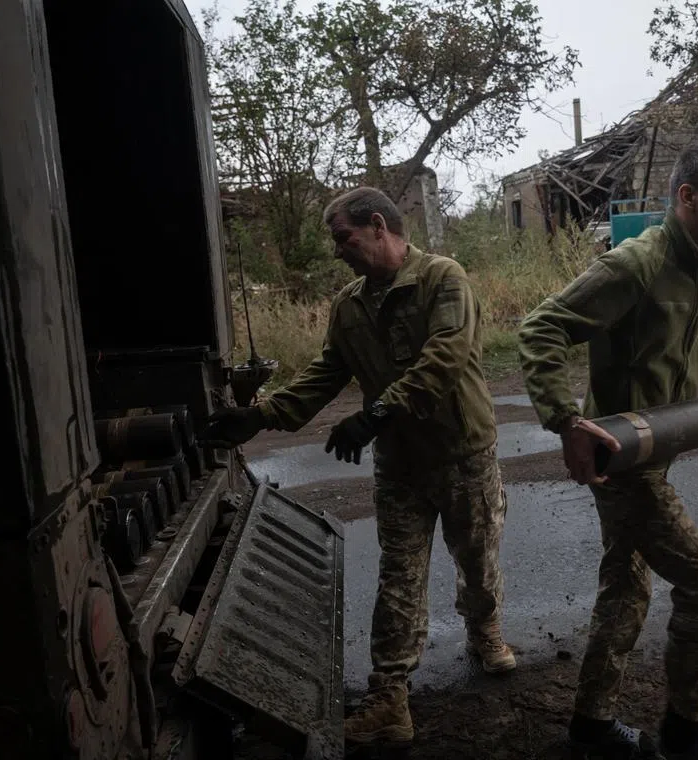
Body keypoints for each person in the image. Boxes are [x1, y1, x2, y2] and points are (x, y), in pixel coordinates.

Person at [203, 187, 516, 749]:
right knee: (399, 575)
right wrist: (260, 416)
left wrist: (374, 414)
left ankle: (485, 630)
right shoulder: (348, 305)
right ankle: (389, 698)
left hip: (463, 453)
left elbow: (444, 357)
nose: (338, 251)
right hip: (400, 464)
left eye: (343, 238)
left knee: (477, 559)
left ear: (377, 225)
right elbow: (327, 372)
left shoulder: (444, 278)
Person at [517, 141, 698, 760]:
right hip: (621, 456)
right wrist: (567, 421)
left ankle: (591, 728)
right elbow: (541, 327)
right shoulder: (636, 263)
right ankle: (684, 732)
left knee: (626, 584)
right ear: (687, 198)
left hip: (661, 446)